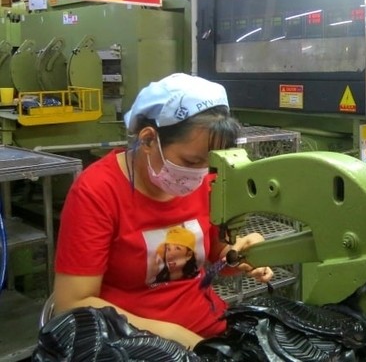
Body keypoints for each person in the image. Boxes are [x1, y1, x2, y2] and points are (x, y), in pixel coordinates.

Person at [53, 73, 273, 349]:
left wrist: (238, 255)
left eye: (209, 163)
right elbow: (72, 303)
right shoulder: (97, 191)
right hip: (132, 342)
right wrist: (172, 336)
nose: (200, 174)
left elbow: (216, 258)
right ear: (148, 140)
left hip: (206, 329)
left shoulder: (207, 182)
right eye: (191, 161)